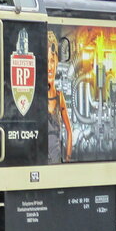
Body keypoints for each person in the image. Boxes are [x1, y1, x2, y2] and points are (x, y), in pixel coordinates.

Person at [47, 31, 73, 163]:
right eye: (46, 62)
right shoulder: (37, 99)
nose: (49, 67)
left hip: (57, 160)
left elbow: (69, 130)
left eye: (52, 61)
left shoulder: (59, 97)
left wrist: (67, 158)